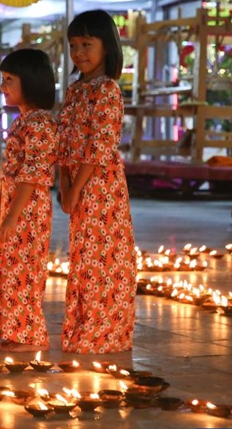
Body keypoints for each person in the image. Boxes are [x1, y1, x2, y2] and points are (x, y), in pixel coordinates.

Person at [58, 10, 136, 354]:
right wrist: (63, 183)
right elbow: (63, 142)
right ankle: (82, 327)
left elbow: (99, 148)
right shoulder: (75, 91)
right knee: (84, 257)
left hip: (101, 187)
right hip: (76, 182)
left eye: (87, 44)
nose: (79, 53)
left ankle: (104, 332)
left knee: (103, 259)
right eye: (74, 45)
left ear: (108, 46)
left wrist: (75, 188)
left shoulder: (107, 91)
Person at [0, 49, 58, 353]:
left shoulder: (39, 124)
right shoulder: (23, 122)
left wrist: (12, 216)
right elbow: (11, 174)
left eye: (9, 80)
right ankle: (16, 330)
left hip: (28, 208)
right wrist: (0, 212)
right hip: (15, 204)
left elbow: (32, 176)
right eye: (3, 79)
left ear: (30, 82)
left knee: (24, 268)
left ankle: (30, 334)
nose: (3, 87)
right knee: (11, 267)